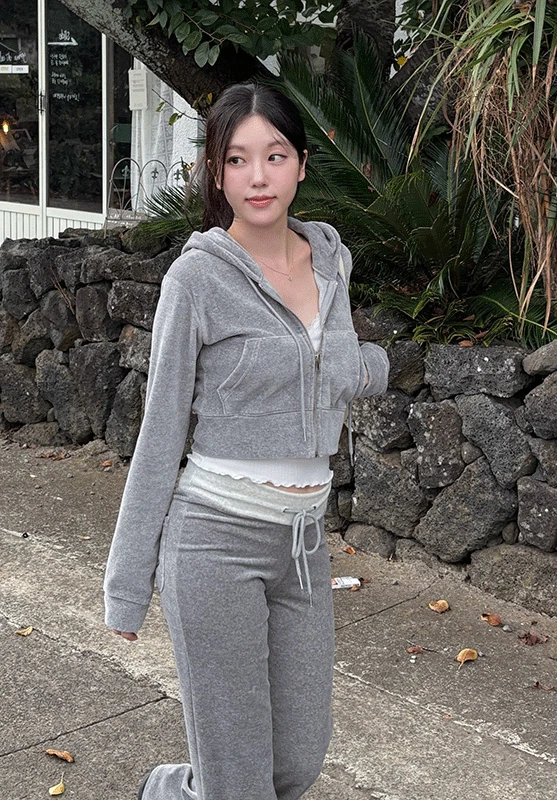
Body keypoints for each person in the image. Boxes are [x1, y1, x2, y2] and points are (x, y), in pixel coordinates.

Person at [103, 82, 390, 800]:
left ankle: (177, 792)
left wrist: (369, 368)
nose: (257, 176)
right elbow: (161, 427)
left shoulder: (331, 261)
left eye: (274, 155)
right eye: (237, 159)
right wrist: (127, 585)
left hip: (302, 544)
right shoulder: (196, 279)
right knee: (239, 781)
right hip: (213, 541)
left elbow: (328, 363)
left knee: (294, 763)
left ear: (301, 164)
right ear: (216, 172)